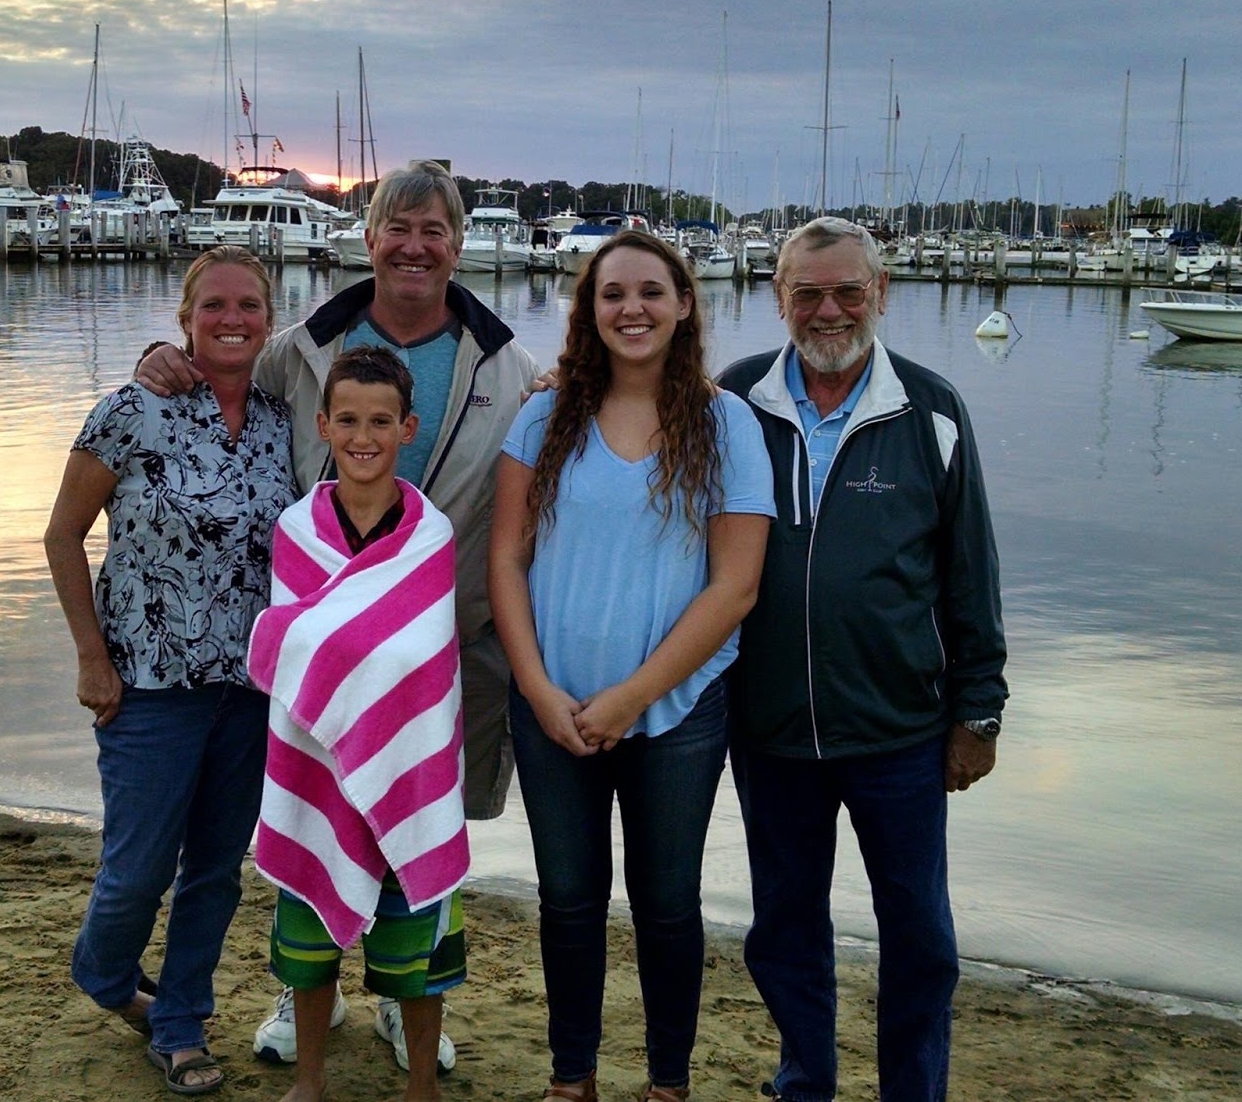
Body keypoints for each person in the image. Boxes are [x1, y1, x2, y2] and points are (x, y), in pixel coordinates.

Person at [134, 159, 538, 1072]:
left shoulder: (508, 363)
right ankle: (305, 984)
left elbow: (579, 409)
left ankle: (408, 997)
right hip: (318, 652)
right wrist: (165, 360)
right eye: (398, 228)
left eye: (434, 231)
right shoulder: (304, 346)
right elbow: (221, 376)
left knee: (425, 822)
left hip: (440, 651)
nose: (414, 246)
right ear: (368, 238)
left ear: (458, 245)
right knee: (319, 807)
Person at [716, 217, 1008, 1102]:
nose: (829, 309)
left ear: (883, 292)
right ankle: (806, 1079)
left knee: (920, 935)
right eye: (808, 292)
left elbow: (971, 572)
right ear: (778, 297)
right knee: (784, 928)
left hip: (901, 734)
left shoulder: (932, 410)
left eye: (849, 290)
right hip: (770, 733)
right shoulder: (734, 401)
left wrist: (979, 710)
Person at [489, 231, 774, 1102]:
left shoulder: (726, 422)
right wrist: (539, 689)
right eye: (613, 294)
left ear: (685, 304)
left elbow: (735, 587)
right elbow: (505, 559)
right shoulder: (545, 414)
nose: (633, 308)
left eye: (652, 291)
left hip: (677, 714)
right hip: (551, 709)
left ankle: (668, 1082)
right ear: (590, 311)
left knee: (666, 905)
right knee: (568, 902)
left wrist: (633, 696)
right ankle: (571, 1077)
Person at [44, 247, 299, 1096]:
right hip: (147, 683)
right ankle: (107, 974)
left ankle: (180, 1023)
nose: (234, 320)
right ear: (187, 317)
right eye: (216, 306)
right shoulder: (132, 409)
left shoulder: (279, 419)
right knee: (137, 869)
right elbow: (62, 535)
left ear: (270, 317)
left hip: (250, 689)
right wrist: (91, 655)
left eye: (251, 306)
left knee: (217, 869)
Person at [248, 347, 467, 1102]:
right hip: (317, 761)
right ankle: (310, 1079)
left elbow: (426, 656)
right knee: (309, 942)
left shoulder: (430, 535)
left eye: (381, 420)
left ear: (408, 427)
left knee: (417, 948)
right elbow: (289, 638)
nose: (363, 435)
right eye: (348, 420)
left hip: (405, 758)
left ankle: (420, 1087)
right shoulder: (296, 531)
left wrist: (346, 654)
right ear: (323, 424)